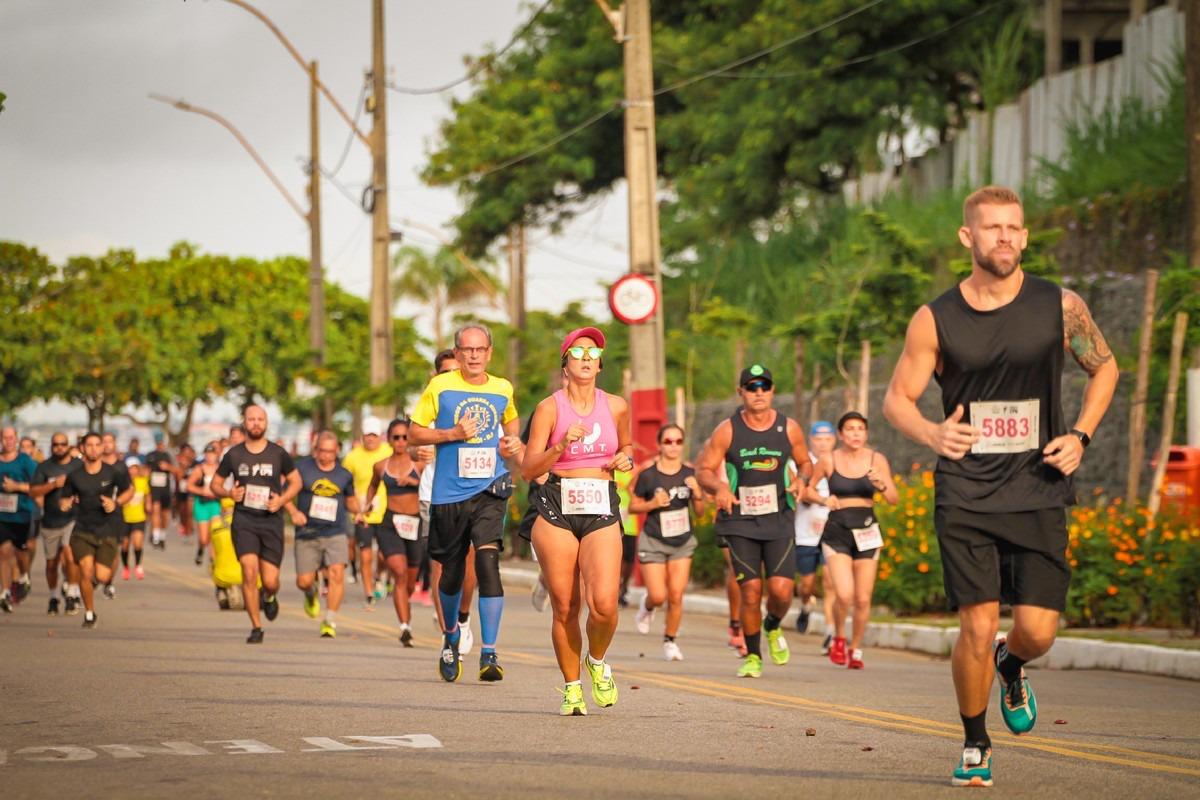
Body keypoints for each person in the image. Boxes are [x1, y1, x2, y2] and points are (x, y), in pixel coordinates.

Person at [883, 185, 1119, 787]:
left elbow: (1105, 366)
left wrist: (1083, 435)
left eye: (1014, 227)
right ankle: (974, 743)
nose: (1005, 237)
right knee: (976, 623)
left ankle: (1011, 666)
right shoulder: (935, 318)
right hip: (965, 490)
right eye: (992, 228)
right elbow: (897, 401)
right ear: (968, 237)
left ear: (1025, 235)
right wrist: (934, 436)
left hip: (1038, 485)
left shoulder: (1058, 306)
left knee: (1037, 631)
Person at [522, 327, 632, 715]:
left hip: (601, 502)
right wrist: (561, 445)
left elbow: (628, 445)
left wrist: (627, 458)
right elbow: (528, 467)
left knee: (603, 604)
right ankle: (571, 687)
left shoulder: (616, 405)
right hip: (556, 504)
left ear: (600, 364)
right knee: (566, 606)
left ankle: (597, 661)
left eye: (593, 352)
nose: (586, 357)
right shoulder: (549, 408)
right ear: (565, 363)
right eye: (578, 351)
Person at [409, 324, 523, 684]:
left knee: (488, 563)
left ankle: (489, 651)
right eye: (466, 350)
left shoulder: (502, 388)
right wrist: (451, 434)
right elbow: (415, 433)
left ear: (489, 352)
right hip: (448, 493)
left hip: (489, 489)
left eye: (480, 349)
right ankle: (451, 636)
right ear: (457, 354)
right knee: (453, 571)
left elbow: (512, 426)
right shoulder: (440, 386)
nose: (473, 355)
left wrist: (512, 446)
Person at [696, 365, 811, 678]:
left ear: (772, 391)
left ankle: (772, 625)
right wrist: (718, 487)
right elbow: (703, 470)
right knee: (750, 592)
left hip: (779, 518)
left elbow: (805, 462)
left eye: (764, 386)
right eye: (751, 387)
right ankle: (754, 656)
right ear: (741, 392)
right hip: (740, 520)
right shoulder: (728, 429)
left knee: (782, 591)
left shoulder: (789, 428)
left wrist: (802, 479)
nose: (758, 392)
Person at [805, 412, 898, 669]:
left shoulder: (876, 459)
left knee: (863, 598)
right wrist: (824, 500)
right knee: (844, 594)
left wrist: (881, 484)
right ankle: (839, 637)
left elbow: (893, 498)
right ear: (841, 434)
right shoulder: (829, 459)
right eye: (850, 429)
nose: (856, 433)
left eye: (860, 429)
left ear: (866, 433)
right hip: (837, 531)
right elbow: (808, 489)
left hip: (867, 530)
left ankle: (855, 648)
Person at [211, 405, 302, 644]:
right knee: (249, 573)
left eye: (260, 419)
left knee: (270, 581)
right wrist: (230, 493)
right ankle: (256, 626)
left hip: (271, 520)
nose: (255, 423)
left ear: (266, 423)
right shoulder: (234, 454)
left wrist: (282, 500)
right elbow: (215, 484)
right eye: (251, 419)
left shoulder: (278, 453)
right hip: (244, 520)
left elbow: (296, 482)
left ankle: (270, 598)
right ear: (244, 422)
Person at [629, 423, 705, 661]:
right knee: (659, 595)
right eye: (668, 441)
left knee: (675, 594)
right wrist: (652, 504)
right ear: (659, 445)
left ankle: (670, 641)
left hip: (682, 541)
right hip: (654, 540)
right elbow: (632, 506)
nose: (673, 446)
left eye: (678, 442)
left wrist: (698, 492)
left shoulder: (690, 474)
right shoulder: (648, 474)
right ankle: (648, 606)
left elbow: (701, 513)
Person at [286, 431, 359, 638]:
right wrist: (294, 512)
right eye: (321, 451)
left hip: (335, 532)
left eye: (330, 451)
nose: (325, 455)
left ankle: (330, 620)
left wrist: (360, 511)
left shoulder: (344, 475)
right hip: (307, 532)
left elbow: (350, 501)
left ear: (337, 451)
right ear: (315, 450)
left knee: (337, 574)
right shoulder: (301, 468)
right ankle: (311, 594)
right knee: (304, 581)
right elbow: (285, 494)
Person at [57, 432, 134, 628]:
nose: (93, 449)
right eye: (89, 445)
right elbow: (64, 497)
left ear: (102, 448)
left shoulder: (112, 472)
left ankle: (84, 590)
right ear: (82, 448)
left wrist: (115, 502)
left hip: (107, 529)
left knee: (101, 576)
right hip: (83, 529)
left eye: (97, 445)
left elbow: (129, 490)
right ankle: (90, 613)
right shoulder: (75, 476)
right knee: (85, 569)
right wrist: (65, 503)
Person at [366, 419, 426, 646]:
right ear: (389, 439)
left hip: (414, 523)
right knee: (399, 573)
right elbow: (373, 485)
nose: (401, 441)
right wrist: (368, 504)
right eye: (396, 437)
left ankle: (405, 607)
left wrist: (413, 482)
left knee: (410, 581)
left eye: (404, 437)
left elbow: (432, 485)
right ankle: (405, 627)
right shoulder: (381, 466)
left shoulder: (419, 465)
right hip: (390, 524)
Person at [792, 421, 838, 652]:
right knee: (807, 585)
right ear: (811, 440)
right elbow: (801, 492)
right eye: (818, 439)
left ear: (834, 440)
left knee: (831, 583)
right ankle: (806, 606)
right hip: (806, 533)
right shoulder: (803, 464)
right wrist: (821, 499)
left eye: (827, 439)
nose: (823, 444)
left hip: (833, 533)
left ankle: (831, 633)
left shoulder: (840, 462)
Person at [30, 433, 82, 615]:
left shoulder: (77, 465)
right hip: (50, 521)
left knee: (69, 555)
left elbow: (87, 487)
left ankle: (72, 593)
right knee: (52, 564)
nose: (59, 447)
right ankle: (53, 597)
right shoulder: (44, 467)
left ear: (68, 445)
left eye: (63, 444)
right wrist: (53, 485)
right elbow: (33, 491)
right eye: (55, 444)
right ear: (51, 446)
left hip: (72, 519)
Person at [342, 416, 391, 609]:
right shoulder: (353, 457)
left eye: (374, 435)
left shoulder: (389, 452)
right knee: (365, 554)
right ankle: (369, 592)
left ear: (380, 437)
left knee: (385, 555)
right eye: (367, 435)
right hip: (363, 513)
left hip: (386, 511)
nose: (370, 439)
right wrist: (354, 505)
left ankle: (379, 575)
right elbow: (345, 483)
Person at [0, 426, 40, 612]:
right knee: (4, 552)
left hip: (22, 514)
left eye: (11, 437)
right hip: (2, 515)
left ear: (16, 439)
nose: (8, 441)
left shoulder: (25, 461)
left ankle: (24, 574)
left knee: (21, 553)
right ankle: (5, 592)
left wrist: (17, 486)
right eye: (5, 437)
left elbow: (38, 485)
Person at [188, 443, 223, 566]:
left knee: (214, 534)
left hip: (215, 504)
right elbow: (189, 485)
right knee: (204, 538)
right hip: (202, 504)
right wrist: (202, 491)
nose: (210, 457)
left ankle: (213, 561)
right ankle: (201, 548)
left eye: (212, 454)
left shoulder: (220, 469)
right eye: (207, 454)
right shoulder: (199, 469)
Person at [144, 432, 179, 550]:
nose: (160, 444)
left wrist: (167, 467)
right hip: (154, 488)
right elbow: (145, 471)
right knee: (155, 511)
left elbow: (178, 471)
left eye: (161, 442)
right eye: (158, 442)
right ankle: (156, 537)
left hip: (166, 489)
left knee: (165, 515)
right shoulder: (150, 455)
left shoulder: (169, 456)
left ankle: (162, 536)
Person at [119, 456, 149, 580]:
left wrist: (149, 507)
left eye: (135, 468)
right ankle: (126, 566)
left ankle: (138, 565)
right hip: (124, 518)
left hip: (139, 517)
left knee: (137, 543)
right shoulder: (122, 483)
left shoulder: (143, 482)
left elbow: (147, 496)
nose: (133, 470)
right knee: (125, 545)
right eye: (130, 468)